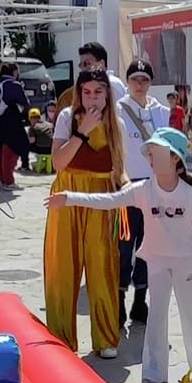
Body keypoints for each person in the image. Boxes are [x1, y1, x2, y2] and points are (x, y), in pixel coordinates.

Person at [48, 128, 192, 383]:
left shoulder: (191, 196)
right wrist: (69, 198)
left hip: (187, 266)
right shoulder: (142, 190)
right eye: (149, 154)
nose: (151, 159)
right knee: (156, 319)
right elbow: (109, 200)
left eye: (157, 153)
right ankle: (154, 374)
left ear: (175, 158)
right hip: (157, 263)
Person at [47, 69, 132, 357]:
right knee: (63, 265)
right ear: (79, 94)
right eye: (86, 92)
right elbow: (58, 162)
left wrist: (128, 190)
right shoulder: (66, 117)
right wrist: (82, 132)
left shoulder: (116, 124)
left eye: (98, 91)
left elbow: (119, 168)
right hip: (67, 194)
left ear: (107, 94)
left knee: (103, 263)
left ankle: (105, 338)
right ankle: (61, 339)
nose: (92, 98)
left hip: (101, 196)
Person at [116, 59, 167, 324]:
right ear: (127, 81)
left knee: (148, 248)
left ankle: (140, 300)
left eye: (144, 79)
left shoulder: (162, 112)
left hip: (154, 188)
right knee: (124, 247)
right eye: (135, 79)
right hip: (127, 187)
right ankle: (119, 299)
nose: (139, 84)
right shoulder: (117, 110)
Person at [0, 54, 31, 189]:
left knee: (1, 152)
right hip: (11, 122)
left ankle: (3, 181)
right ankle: (9, 181)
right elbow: (25, 103)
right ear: (13, 72)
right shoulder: (13, 85)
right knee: (11, 151)